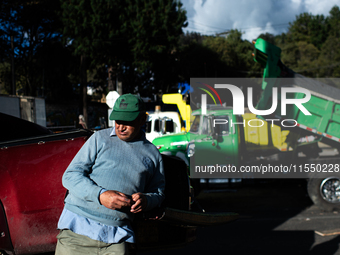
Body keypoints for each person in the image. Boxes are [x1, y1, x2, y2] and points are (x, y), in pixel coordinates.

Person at [55, 94, 165, 255]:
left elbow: (159, 193)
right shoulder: (99, 139)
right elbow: (70, 176)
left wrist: (146, 200)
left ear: (142, 120)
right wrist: (100, 195)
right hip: (76, 233)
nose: (120, 127)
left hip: (117, 239)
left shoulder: (153, 154)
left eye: (128, 122)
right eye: (118, 121)